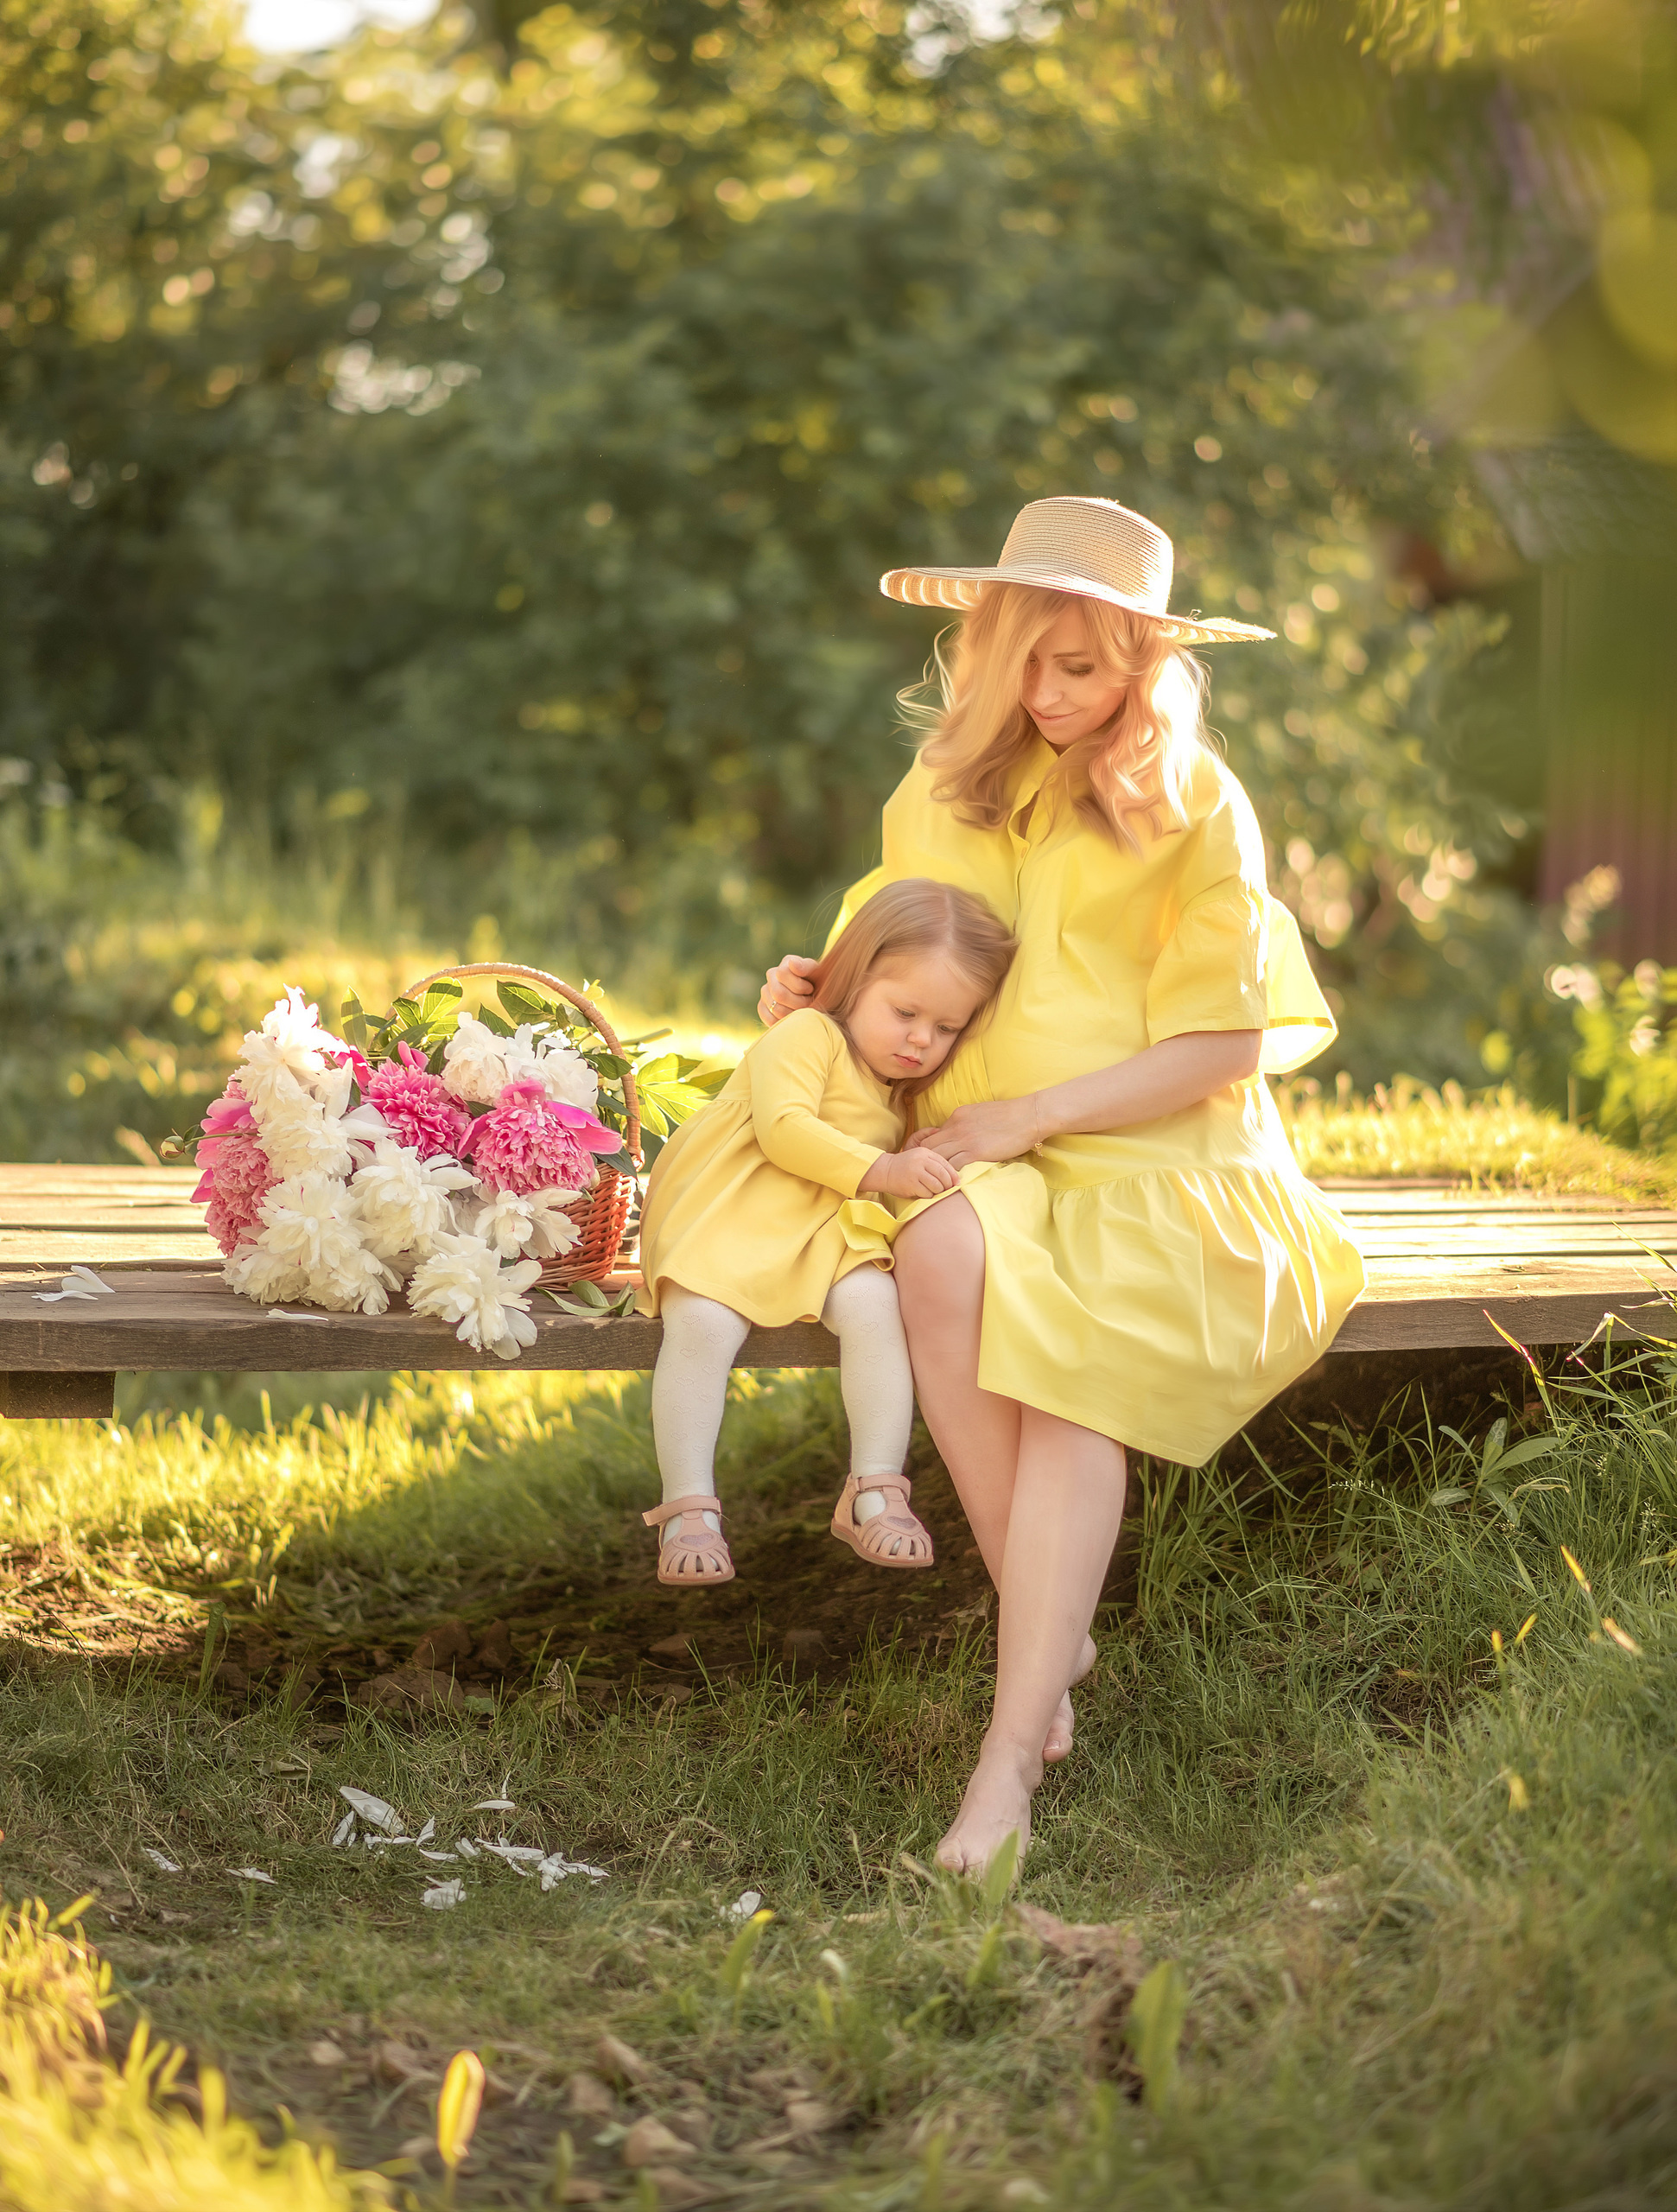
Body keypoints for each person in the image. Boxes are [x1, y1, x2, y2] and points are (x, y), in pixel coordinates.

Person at [759, 496, 1366, 1872]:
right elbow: (901, 950)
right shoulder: (936, 788)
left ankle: (1001, 1780)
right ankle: (1056, 1624)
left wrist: (1036, 1113)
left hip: (1153, 1142)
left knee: (1075, 1355)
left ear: (1145, 663)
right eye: (1021, 659)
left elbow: (1220, 1045)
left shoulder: (1198, 808)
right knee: (938, 1255)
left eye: (1081, 667)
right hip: (980, 1137)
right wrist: (814, 981)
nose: (1045, 694)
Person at [637, 877, 1018, 1586]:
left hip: (820, 1228)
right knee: (704, 1322)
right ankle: (688, 1505)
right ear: (851, 979)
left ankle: (875, 1488)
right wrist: (886, 1168)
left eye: (945, 1029)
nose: (920, 1040)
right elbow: (785, 1132)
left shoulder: (893, 1087)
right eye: (905, 1012)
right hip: (729, 1213)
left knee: (877, 1309)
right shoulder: (807, 1033)